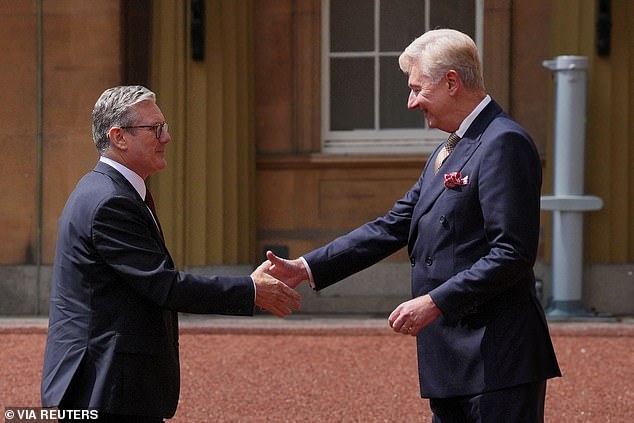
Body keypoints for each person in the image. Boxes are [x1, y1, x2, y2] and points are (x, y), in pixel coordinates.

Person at [266, 29, 560, 422]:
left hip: (496, 357)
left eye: (418, 88)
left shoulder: (503, 142)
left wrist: (435, 300)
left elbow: (513, 254)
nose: (410, 102)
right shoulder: (447, 149)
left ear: (452, 82)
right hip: (451, 359)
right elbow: (392, 226)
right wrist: (306, 268)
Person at [41, 85, 301, 422]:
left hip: (109, 387)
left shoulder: (109, 190)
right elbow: (164, 286)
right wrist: (251, 291)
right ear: (119, 137)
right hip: (102, 391)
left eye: (164, 127)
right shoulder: (110, 201)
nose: (166, 138)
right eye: (155, 129)